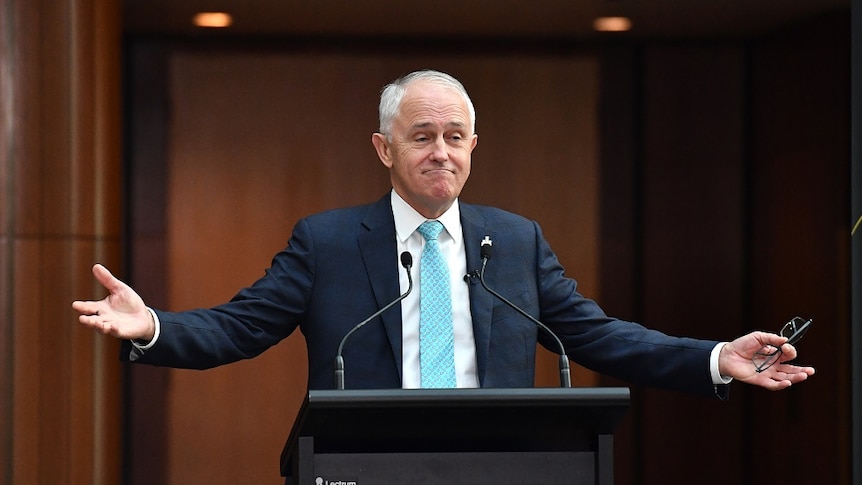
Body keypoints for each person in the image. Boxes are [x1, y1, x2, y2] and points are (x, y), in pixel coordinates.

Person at [72, 69, 814, 397]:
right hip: (361, 464)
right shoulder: (326, 243)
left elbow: (597, 337)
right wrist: (153, 326)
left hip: (499, 465)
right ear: (383, 148)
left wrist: (716, 356)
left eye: (456, 136)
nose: (441, 151)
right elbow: (240, 328)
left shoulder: (515, 241)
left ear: (473, 148)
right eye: (422, 135)